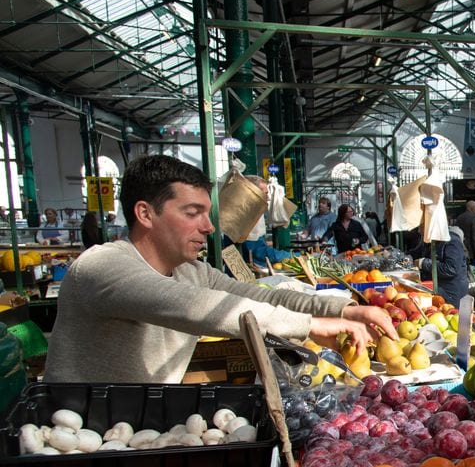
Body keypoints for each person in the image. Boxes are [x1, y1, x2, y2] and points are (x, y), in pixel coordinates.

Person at [44, 155, 396, 384]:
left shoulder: (192, 271)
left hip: (142, 430)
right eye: (192, 213)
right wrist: (311, 326)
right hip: (78, 440)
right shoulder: (100, 266)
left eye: (206, 214)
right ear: (145, 214)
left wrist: (345, 308)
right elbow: (197, 307)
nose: (209, 227)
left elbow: (259, 296)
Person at [418, 225, 469, 305]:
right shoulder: (429, 240)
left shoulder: (452, 242)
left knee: (451, 314)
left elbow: (451, 269)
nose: (419, 231)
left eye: (421, 227)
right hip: (438, 290)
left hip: (450, 294)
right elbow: (417, 252)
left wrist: (423, 263)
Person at [454, 200, 475, 265]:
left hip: (460, 248)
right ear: (470, 208)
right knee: (473, 271)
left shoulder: (459, 217)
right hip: (471, 251)